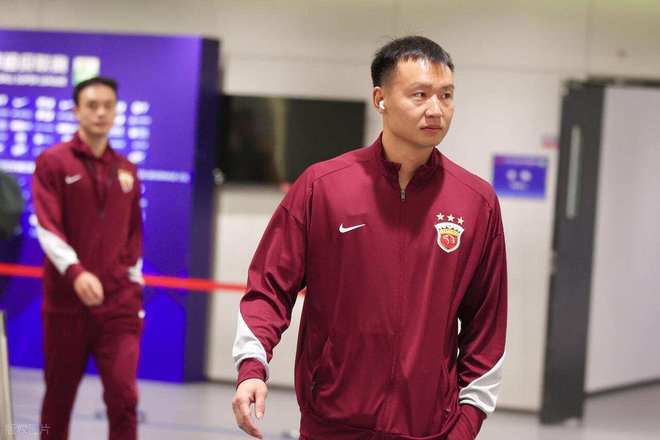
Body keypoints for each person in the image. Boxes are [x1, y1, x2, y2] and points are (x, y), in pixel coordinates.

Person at [231, 36, 507, 440]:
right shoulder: (322, 187)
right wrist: (252, 368)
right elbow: (269, 287)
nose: (436, 109)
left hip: (429, 428)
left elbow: (487, 323)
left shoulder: (476, 202)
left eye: (446, 95)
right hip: (331, 422)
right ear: (381, 99)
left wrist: (466, 425)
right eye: (420, 95)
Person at [33, 76, 144, 440]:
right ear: (76, 111)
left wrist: (133, 284)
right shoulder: (52, 162)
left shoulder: (127, 169)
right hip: (66, 305)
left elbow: (134, 233)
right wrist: (76, 272)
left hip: (119, 306)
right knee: (58, 400)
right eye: (92, 105)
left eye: (108, 106)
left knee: (125, 398)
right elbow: (47, 226)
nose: (100, 113)